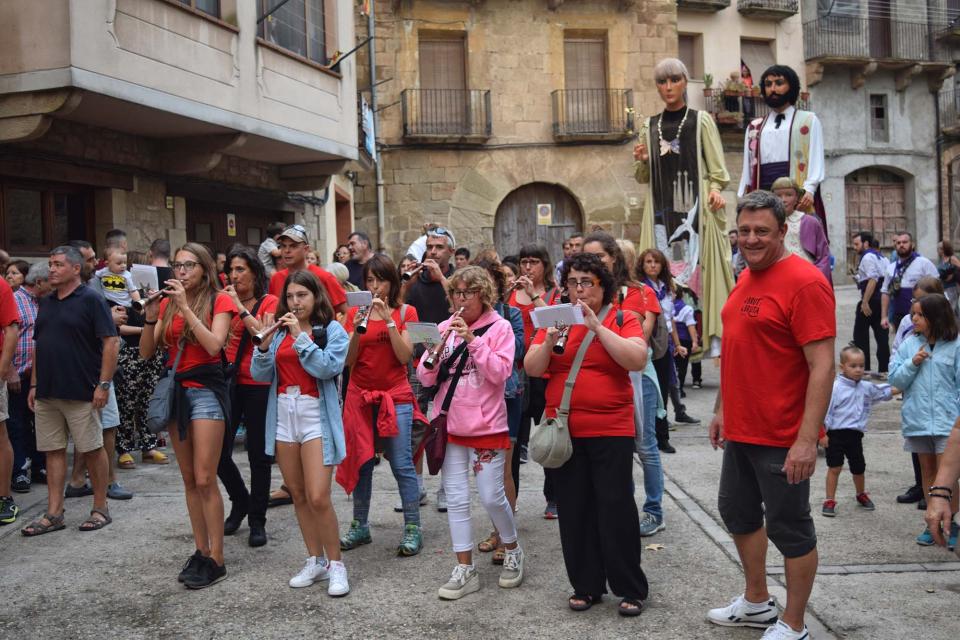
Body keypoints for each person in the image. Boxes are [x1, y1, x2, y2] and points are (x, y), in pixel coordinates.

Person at [707, 190, 835, 640]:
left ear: (783, 231)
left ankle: (795, 623)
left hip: (782, 432)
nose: (752, 239)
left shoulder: (804, 281)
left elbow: (823, 364)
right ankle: (758, 602)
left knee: (790, 527)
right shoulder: (745, 276)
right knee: (737, 511)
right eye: (744, 230)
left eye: (762, 231)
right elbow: (740, 348)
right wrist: (722, 408)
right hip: (743, 428)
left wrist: (805, 438)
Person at [524, 252, 650, 616]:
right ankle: (586, 585)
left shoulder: (623, 317)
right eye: (573, 282)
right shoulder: (555, 318)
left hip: (611, 429)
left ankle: (629, 586)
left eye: (587, 283)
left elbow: (636, 358)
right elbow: (533, 368)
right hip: (564, 430)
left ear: (603, 287)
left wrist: (597, 327)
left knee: (616, 509)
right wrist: (548, 340)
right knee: (575, 510)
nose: (579, 289)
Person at [416, 266, 523, 600]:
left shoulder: (500, 327)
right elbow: (425, 377)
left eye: (468, 293)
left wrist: (473, 342)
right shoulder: (443, 327)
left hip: (487, 423)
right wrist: (432, 356)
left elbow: (500, 373)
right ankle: (465, 568)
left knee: (492, 496)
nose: (461, 300)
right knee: (458, 499)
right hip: (450, 423)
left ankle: (513, 548)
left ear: (483, 294)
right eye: (456, 294)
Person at [140, 243, 234, 589]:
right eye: (177, 265)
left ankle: (218, 558)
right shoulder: (166, 303)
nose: (180, 271)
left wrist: (184, 307)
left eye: (188, 265)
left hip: (207, 391)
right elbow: (147, 352)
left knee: (206, 477)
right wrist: (152, 315)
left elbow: (214, 345)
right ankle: (201, 549)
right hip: (177, 391)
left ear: (204, 269)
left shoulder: (219, 300)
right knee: (188, 478)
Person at [250, 270, 350, 596]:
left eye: (301, 296)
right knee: (298, 493)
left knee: (319, 495)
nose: (295, 302)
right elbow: (259, 373)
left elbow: (326, 368)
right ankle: (314, 559)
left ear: (315, 296)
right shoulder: (279, 332)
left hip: (313, 414)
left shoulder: (331, 330)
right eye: (290, 296)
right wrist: (264, 347)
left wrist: (301, 338)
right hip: (283, 414)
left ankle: (337, 565)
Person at [635, 57, 733, 360]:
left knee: (700, 273)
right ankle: (661, 339)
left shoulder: (700, 120)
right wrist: (641, 161)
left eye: (674, 80)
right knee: (657, 269)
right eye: (662, 82)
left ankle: (705, 338)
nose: (668, 87)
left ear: (684, 82)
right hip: (660, 211)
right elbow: (642, 178)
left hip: (697, 213)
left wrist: (715, 190)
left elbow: (718, 171)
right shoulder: (648, 126)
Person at [21, 246, 117, 535]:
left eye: (58, 264)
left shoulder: (92, 299)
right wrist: (35, 384)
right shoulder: (47, 302)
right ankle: (54, 513)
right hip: (48, 391)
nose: (51, 269)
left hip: (82, 389)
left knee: (91, 448)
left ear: (76, 269)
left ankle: (100, 508)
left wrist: (103, 384)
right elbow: (40, 345)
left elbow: (110, 342)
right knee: (53, 451)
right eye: (50, 264)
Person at [337, 254, 423, 557]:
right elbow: (347, 361)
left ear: (392, 282)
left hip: (395, 395)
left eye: (381, 279)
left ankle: (413, 526)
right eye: (370, 280)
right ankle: (360, 525)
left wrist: (387, 320)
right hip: (360, 396)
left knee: (401, 464)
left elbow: (403, 357)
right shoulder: (354, 314)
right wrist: (357, 327)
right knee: (361, 464)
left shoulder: (406, 312)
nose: (375, 287)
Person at [218, 246, 278, 548]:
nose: (234, 275)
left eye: (240, 269)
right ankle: (240, 500)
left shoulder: (269, 301)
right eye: (231, 270)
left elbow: (264, 334)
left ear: (254, 272)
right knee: (217, 452)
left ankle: (257, 519)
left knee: (259, 455)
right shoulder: (222, 301)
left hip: (258, 384)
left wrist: (238, 307)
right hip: (228, 383)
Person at [890, 293, 960, 549]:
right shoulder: (909, 344)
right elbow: (895, 380)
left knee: (948, 477)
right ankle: (933, 521)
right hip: (917, 420)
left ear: (935, 317)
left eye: (920, 314)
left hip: (947, 423)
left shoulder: (956, 345)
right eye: (914, 314)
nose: (914, 318)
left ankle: (952, 521)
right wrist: (913, 362)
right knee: (927, 472)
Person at [472, 257, 524, 565]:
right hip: (475, 401)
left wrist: (494, 325)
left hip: (506, 397)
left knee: (503, 470)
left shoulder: (511, 314)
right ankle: (498, 532)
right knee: (483, 471)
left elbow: (517, 352)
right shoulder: (463, 318)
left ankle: (506, 536)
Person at [404, 226, 457, 511]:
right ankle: (417, 486)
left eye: (439, 247)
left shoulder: (457, 279)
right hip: (420, 360)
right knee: (416, 425)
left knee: (444, 422)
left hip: (451, 360)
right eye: (430, 247)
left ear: (450, 251)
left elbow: (461, 305)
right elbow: (401, 310)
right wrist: (406, 281)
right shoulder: (416, 281)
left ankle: (446, 488)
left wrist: (442, 280)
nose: (433, 252)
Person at [738, 65, 826, 234]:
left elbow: (816, 156)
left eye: (779, 83)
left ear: (791, 86)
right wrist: (743, 195)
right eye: (768, 84)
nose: (773, 88)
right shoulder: (754, 126)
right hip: (763, 190)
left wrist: (810, 188)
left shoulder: (808, 120)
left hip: (797, 193)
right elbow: (747, 167)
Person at [509, 244, 561, 517]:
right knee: (513, 442)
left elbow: (557, 323)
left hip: (545, 374)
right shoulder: (510, 295)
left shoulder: (554, 294)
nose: (528, 267)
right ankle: (511, 497)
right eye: (524, 261)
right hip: (515, 374)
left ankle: (552, 497)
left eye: (534, 262)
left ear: (545, 265)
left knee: (549, 436)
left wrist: (534, 297)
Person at [889, 277, 944, 509]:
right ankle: (930, 510)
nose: (914, 318)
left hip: (945, 416)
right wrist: (911, 364)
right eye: (913, 307)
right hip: (918, 410)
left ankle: (949, 516)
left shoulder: (953, 341)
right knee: (925, 467)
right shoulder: (909, 337)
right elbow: (896, 368)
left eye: (920, 308)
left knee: (946, 472)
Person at [821, 345, 895, 517]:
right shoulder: (835, 388)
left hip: (855, 435)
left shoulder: (866, 387)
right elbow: (825, 410)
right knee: (835, 467)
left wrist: (907, 384)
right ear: (842, 366)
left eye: (861, 366)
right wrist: (822, 433)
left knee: (858, 467)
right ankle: (829, 499)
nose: (858, 370)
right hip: (835, 434)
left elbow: (884, 392)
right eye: (853, 366)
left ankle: (861, 493)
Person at [639, 248, 698, 453]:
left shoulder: (666, 288)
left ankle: (662, 436)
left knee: (663, 390)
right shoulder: (641, 289)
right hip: (649, 342)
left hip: (665, 344)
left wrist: (677, 343)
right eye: (648, 262)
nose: (652, 265)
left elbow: (670, 319)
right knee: (648, 392)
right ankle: (648, 436)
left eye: (656, 262)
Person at [9, 263, 44, 493]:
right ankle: (20, 471)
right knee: (16, 425)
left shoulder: (44, 302)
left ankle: (40, 466)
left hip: (40, 376)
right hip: (17, 374)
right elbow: (6, 336)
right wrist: (9, 369)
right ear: (39, 282)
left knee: (40, 424)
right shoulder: (15, 300)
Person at [268, 225, 347, 316]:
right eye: (283, 246)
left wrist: (335, 330)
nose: (287, 250)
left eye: (293, 246)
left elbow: (347, 311)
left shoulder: (324, 277)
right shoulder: (276, 278)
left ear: (306, 249)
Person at [771, 177, 832, 286]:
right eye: (778, 196)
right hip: (777, 279)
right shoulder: (768, 222)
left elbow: (823, 256)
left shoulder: (810, 222)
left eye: (789, 195)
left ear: (797, 198)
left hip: (806, 279)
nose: (783, 200)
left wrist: (817, 279)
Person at [881, 233, 939, 331]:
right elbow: (885, 292)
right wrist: (884, 317)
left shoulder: (924, 263)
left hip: (923, 315)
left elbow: (937, 287)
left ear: (912, 244)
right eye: (898, 243)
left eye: (905, 242)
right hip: (899, 316)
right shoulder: (891, 268)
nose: (901, 245)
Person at [852, 232, 889, 377]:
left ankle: (864, 368)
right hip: (881, 301)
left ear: (866, 243)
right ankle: (884, 369)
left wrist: (865, 302)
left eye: (857, 244)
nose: (855, 247)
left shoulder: (867, 257)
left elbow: (873, 279)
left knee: (860, 336)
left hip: (871, 300)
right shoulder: (883, 257)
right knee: (882, 336)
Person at [937, 240, 960, 316]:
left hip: (952, 287)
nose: (938, 250)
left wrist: (953, 274)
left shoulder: (952, 258)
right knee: (954, 309)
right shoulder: (941, 260)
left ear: (944, 249)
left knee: (950, 308)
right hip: (943, 287)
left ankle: (950, 326)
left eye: (939, 248)